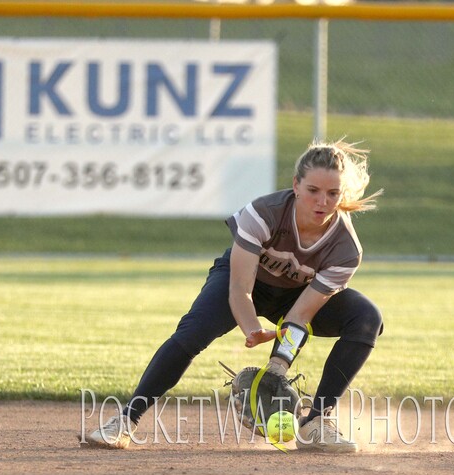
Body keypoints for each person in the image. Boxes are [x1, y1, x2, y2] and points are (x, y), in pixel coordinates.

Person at [86, 139, 383, 453]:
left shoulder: (345, 249)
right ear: (296, 185)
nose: (322, 201)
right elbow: (240, 288)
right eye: (313, 190)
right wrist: (252, 329)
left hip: (295, 298)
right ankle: (125, 421)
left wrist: (278, 366)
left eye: (333, 193)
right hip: (246, 282)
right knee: (192, 333)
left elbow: (300, 316)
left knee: (366, 318)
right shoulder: (263, 214)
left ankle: (315, 424)